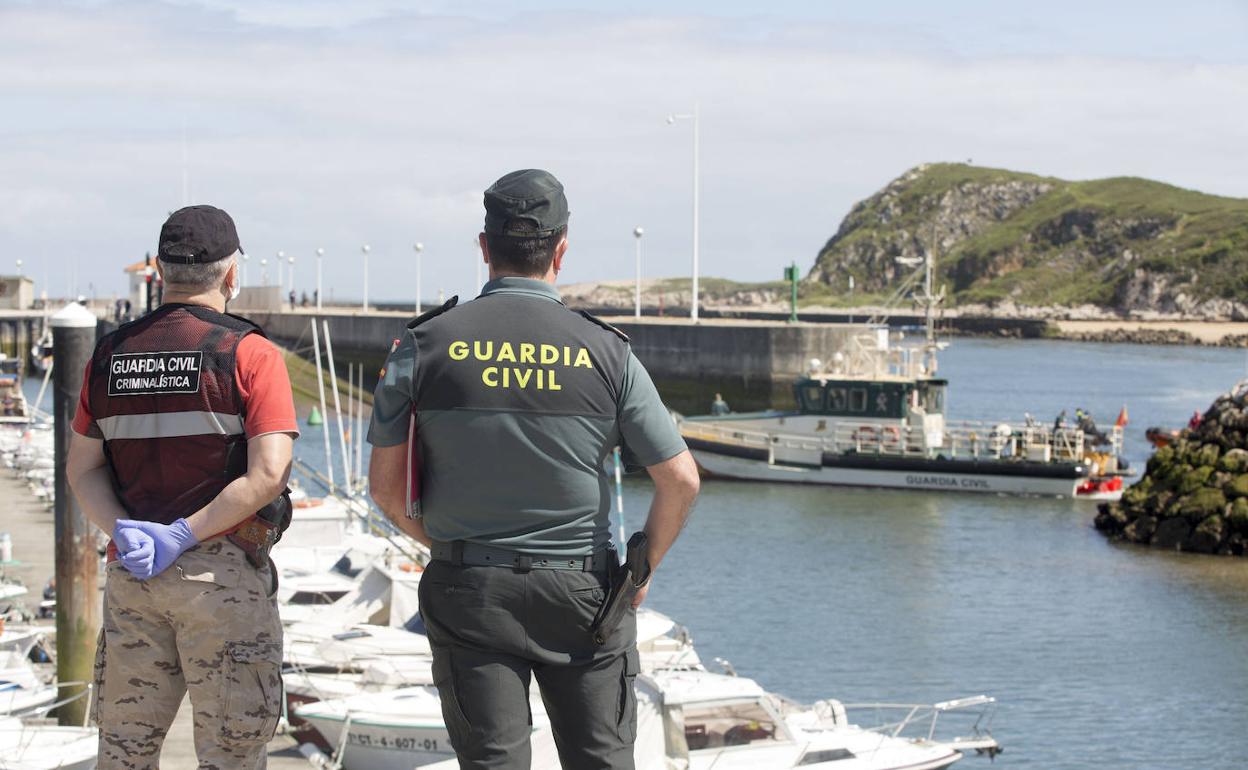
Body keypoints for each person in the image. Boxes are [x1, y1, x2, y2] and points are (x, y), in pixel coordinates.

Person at [368, 169, 701, 770]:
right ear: (562, 248)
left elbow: (386, 493)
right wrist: (642, 566)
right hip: (586, 595)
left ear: (484, 247)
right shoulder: (607, 351)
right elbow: (681, 479)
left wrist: (449, 544)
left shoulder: (423, 344)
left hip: (470, 589)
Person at [66, 205, 299, 770]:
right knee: (232, 753)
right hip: (222, 577)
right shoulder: (250, 354)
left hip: (136, 576)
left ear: (158, 272)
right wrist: (184, 533)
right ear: (231, 275)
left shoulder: (109, 356)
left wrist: (126, 531)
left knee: (124, 752)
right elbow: (269, 472)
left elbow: (82, 470)